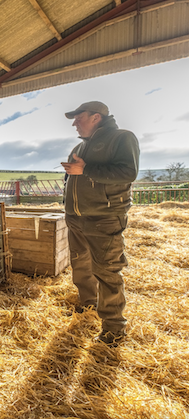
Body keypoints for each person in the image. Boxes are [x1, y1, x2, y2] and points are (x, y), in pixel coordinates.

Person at [61, 101, 140, 347]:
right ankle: (87, 304)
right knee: (80, 264)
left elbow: (128, 172)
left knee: (106, 272)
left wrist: (85, 170)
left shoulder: (122, 138)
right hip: (76, 217)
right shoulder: (79, 146)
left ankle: (114, 328)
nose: (74, 122)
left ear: (96, 117)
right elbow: (76, 177)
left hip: (103, 218)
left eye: (78, 117)